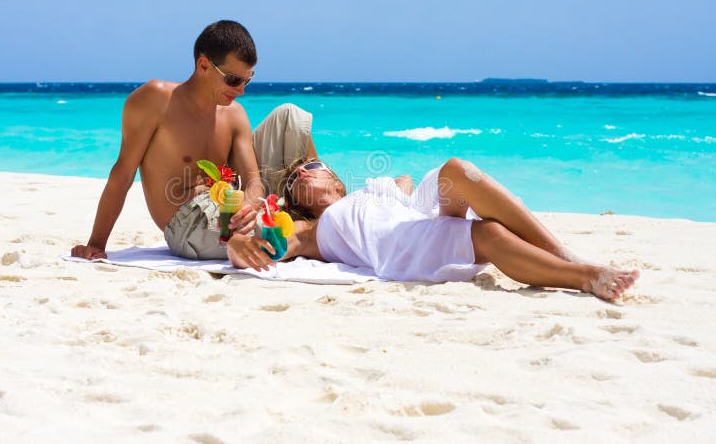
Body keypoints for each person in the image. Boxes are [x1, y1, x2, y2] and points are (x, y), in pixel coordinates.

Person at [226, 157, 640, 302]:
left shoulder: (373, 192)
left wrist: (390, 190)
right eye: (296, 176)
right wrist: (240, 243)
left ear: (336, 181)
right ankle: (584, 276)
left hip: (416, 222)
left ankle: (563, 253)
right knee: (489, 237)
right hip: (401, 250)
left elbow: (405, 182)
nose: (301, 173)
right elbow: (273, 244)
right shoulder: (312, 228)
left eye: (310, 168)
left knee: (456, 171)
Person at [70, 20, 316, 260]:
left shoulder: (234, 114)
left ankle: (324, 213)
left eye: (247, 80)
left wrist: (249, 208)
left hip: (230, 208)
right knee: (305, 233)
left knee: (290, 116)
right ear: (204, 65)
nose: (241, 90)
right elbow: (123, 173)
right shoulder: (156, 100)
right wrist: (96, 244)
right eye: (234, 80)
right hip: (187, 222)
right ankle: (287, 234)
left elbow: (252, 180)